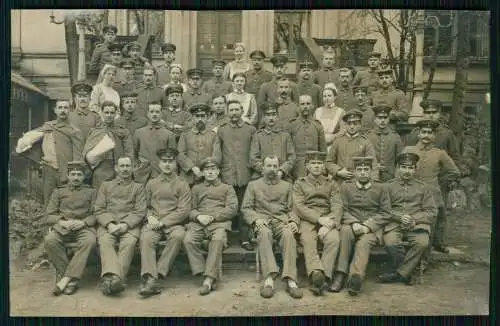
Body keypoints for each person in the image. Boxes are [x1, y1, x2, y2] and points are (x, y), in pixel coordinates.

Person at [241, 156, 303, 299]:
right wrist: (256, 219)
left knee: (289, 235)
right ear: (262, 168)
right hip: (262, 221)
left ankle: (291, 279)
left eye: (275, 166)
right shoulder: (253, 185)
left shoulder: (287, 185)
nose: (272, 169)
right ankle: (269, 279)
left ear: (279, 168)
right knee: (264, 233)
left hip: (281, 221)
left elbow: (293, 209)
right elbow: (246, 208)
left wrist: (293, 221)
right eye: (269, 166)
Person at [331, 157, 391, 295]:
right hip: (352, 223)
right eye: (359, 170)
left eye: (366, 170)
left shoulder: (381, 187)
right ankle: (340, 274)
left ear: (371, 171)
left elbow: (386, 213)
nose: (363, 173)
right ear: (355, 172)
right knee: (345, 232)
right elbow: (342, 208)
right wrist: (353, 222)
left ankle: (355, 278)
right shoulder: (346, 187)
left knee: (364, 242)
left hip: (372, 228)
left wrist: (368, 226)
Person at [377, 153, 438, 285]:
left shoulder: (423, 187)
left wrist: (414, 218)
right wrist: (399, 217)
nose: (407, 171)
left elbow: (432, 211)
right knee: (390, 243)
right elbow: (384, 209)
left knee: (422, 243)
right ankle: (408, 272)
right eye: (403, 167)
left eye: (410, 168)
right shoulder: (388, 186)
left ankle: (398, 273)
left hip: (416, 225)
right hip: (394, 224)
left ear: (415, 170)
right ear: (398, 168)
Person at [138, 148, 191, 298]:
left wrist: (164, 222)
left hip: (173, 223)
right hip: (154, 222)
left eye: (170, 161)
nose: (167, 164)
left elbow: (184, 210)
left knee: (179, 236)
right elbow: (145, 205)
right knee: (146, 238)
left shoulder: (182, 184)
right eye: (164, 161)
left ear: (175, 164)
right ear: (159, 163)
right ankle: (150, 276)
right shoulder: (151, 183)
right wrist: (150, 217)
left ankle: (157, 276)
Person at [402, 120, 461, 254]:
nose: (426, 136)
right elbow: (398, 172)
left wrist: (438, 180)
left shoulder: (439, 153)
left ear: (434, 135)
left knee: (431, 226)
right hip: (411, 193)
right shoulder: (409, 150)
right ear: (418, 134)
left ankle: (426, 258)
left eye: (430, 133)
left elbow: (455, 172)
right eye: (423, 132)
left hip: (432, 195)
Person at [183, 157, 238, 295]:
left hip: (219, 224)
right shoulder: (196, 188)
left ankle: (208, 279)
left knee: (218, 239)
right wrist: (198, 216)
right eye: (207, 170)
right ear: (202, 172)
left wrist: (213, 216)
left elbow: (232, 209)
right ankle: (202, 271)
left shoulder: (227, 188)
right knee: (188, 240)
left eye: (213, 169)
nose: (210, 172)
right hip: (199, 224)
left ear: (218, 171)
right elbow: (190, 209)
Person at [292, 151, 343, 295]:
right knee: (308, 239)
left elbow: (337, 205)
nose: (316, 166)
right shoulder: (299, 184)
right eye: (313, 163)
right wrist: (319, 219)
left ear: (323, 166)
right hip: (308, 219)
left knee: (334, 239)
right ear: (307, 166)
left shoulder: (331, 183)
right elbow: (299, 207)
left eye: (319, 163)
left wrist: (330, 223)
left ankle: (324, 278)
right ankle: (315, 272)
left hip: (328, 218)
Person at [94, 156, 146, 296]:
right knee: (105, 241)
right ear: (116, 168)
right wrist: (109, 224)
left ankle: (111, 280)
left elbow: (140, 211)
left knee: (128, 243)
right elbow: (99, 209)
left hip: (129, 225)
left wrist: (125, 224)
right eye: (122, 166)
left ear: (133, 168)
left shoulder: (138, 187)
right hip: (108, 225)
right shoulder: (106, 186)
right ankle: (118, 280)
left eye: (128, 166)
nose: (125, 169)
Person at [44, 161, 97, 296]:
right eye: (73, 174)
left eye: (79, 174)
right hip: (63, 228)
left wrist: (84, 223)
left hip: (83, 228)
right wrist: (61, 222)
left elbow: (96, 214)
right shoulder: (58, 192)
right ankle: (71, 280)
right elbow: (49, 215)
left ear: (84, 176)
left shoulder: (91, 192)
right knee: (50, 240)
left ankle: (65, 279)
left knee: (90, 241)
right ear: (68, 176)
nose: (76, 177)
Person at [16, 99, 83, 205]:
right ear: (55, 110)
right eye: (60, 108)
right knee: (48, 199)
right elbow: (32, 139)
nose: (63, 110)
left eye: (66, 108)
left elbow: (78, 155)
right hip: (49, 169)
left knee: (66, 200)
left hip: (66, 170)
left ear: (70, 110)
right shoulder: (48, 126)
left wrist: (73, 172)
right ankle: (49, 220)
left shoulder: (74, 130)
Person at [213, 100, 256, 251]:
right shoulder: (222, 130)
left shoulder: (250, 130)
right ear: (227, 112)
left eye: (237, 109)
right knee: (229, 207)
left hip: (245, 174)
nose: (234, 113)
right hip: (227, 174)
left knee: (245, 207)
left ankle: (245, 239)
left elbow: (254, 152)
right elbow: (218, 152)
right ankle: (227, 239)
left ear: (242, 111)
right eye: (231, 110)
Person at [83, 101, 134, 190]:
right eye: (106, 112)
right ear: (101, 113)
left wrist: (125, 167)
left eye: (112, 112)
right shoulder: (95, 131)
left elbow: (129, 152)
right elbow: (86, 153)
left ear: (116, 113)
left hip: (120, 169)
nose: (109, 115)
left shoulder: (123, 132)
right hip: (101, 169)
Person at [325, 110, 379, 183]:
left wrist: (373, 182)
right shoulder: (338, 141)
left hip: (358, 183)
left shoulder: (365, 142)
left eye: (355, 124)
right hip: (340, 182)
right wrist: (338, 171)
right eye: (349, 124)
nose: (352, 126)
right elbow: (328, 162)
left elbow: (373, 164)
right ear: (345, 125)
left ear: (360, 125)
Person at [133, 102, 177, 184]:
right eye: (152, 112)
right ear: (147, 114)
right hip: (142, 173)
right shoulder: (138, 132)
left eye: (157, 112)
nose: (154, 114)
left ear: (161, 114)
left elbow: (172, 158)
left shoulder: (169, 134)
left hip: (161, 173)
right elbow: (134, 154)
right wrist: (138, 167)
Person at [249, 103, 296, 181]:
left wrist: (282, 170)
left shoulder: (285, 135)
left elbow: (292, 157)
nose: (271, 118)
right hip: (262, 175)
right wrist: (265, 170)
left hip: (282, 175)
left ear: (277, 116)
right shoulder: (258, 136)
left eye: (274, 114)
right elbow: (253, 159)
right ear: (264, 117)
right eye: (268, 115)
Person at [287, 94, 327, 180]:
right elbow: (288, 149)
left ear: (312, 106)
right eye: (302, 104)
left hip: (315, 166)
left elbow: (323, 150)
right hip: (297, 167)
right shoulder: (292, 125)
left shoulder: (317, 125)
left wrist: (323, 168)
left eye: (308, 104)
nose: (305, 107)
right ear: (298, 107)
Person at [177, 103, 218, 186]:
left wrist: (205, 169)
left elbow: (216, 156)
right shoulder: (185, 135)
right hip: (187, 177)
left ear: (207, 118)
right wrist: (193, 167)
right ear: (192, 118)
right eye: (197, 116)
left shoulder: (213, 136)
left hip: (207, 177)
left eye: (203, 116)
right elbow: (180, 154)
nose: (200, 119)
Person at [365, 105, 404, 182]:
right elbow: (364, 157)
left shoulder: (395, 136)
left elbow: (400, 159)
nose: (382, 120)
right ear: (375, 119)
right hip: (371, 176)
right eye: (379, 118)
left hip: (390, 177)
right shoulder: (367, 136)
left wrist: (396, 177)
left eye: (385, 118)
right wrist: (374, 166)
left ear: (388, 119)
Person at [315, 84, 346, 149]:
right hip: (319, 144)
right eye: (324, 96)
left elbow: (343, 130)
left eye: (329, 96)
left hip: (334, 144)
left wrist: (333, 137)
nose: (327, 98)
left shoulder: (341, 111)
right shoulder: (317, 111)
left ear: (335, 97)